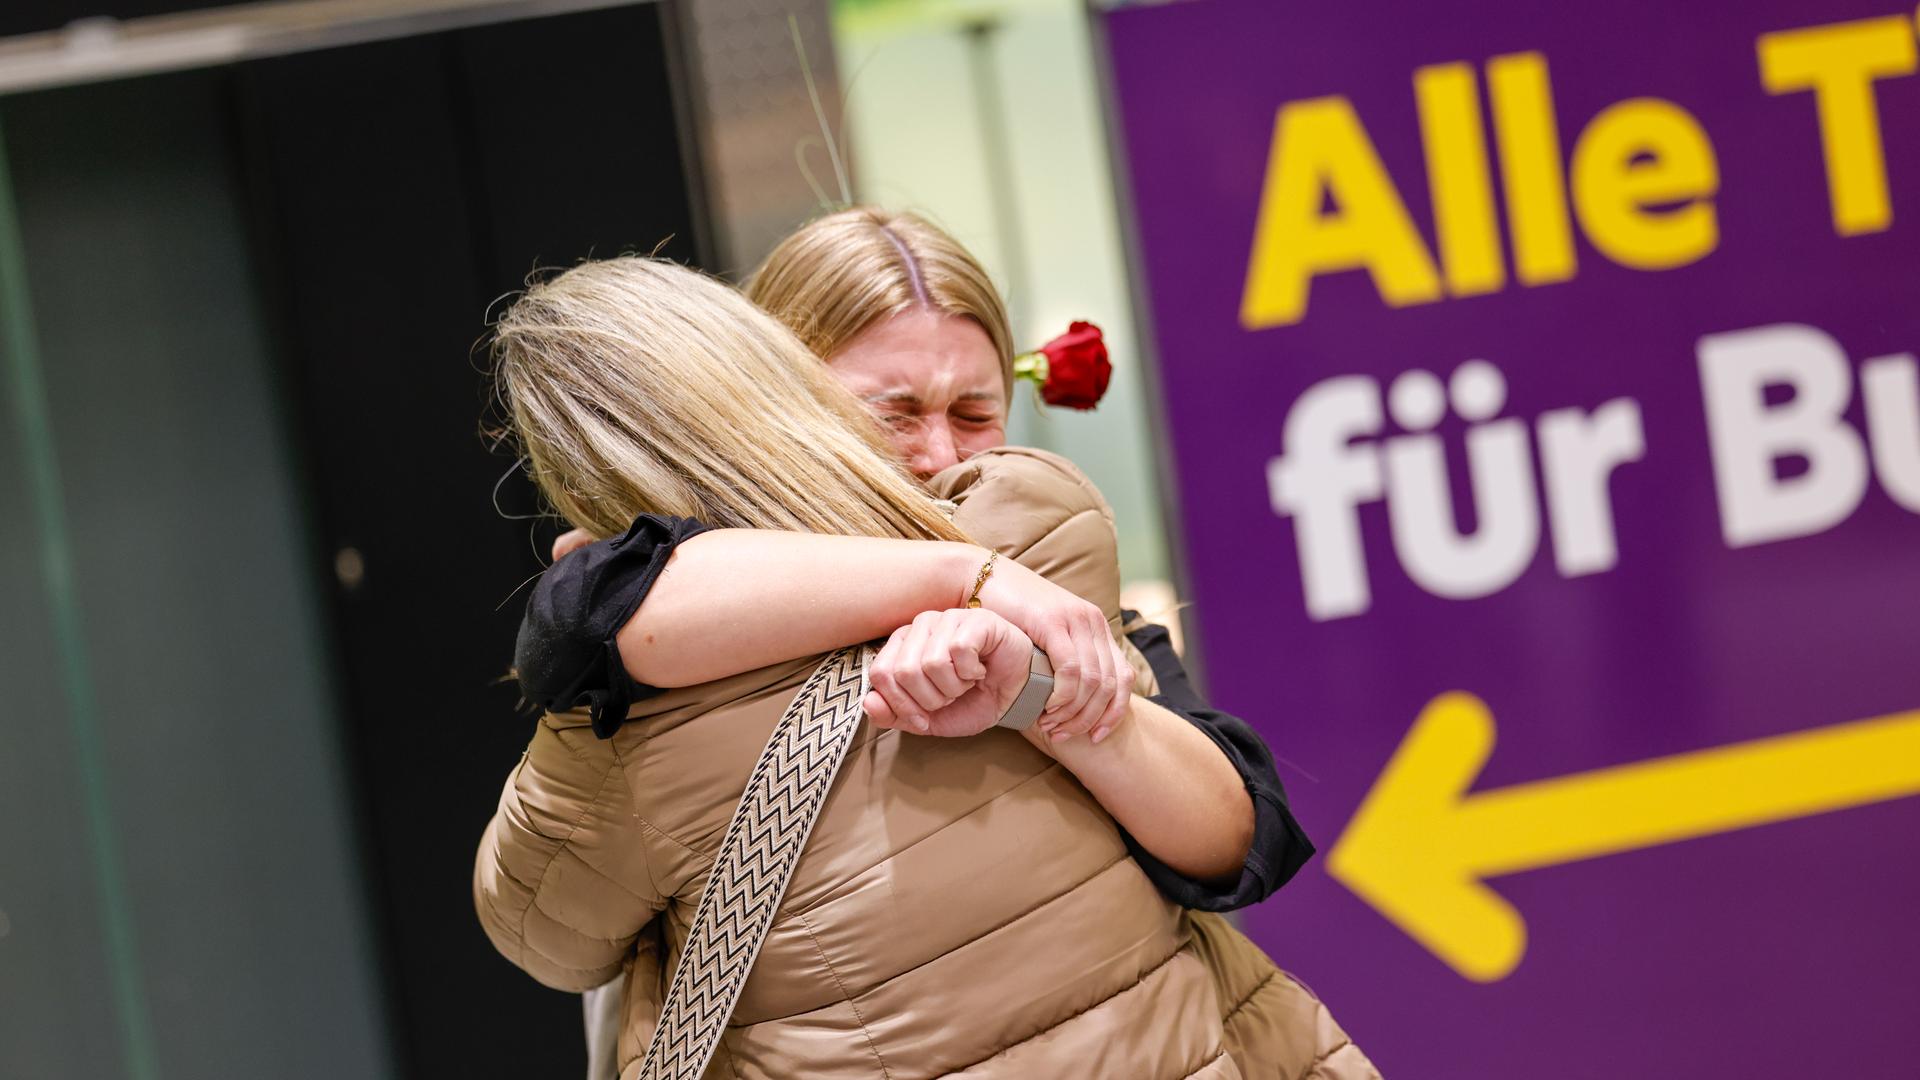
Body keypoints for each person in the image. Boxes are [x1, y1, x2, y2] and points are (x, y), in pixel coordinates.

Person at [513, 210, 1376, 1078]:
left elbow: (1241, 845)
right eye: (892, 414)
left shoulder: (1053, 576)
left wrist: (1043, 695)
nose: (937, 455)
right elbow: (587, 608)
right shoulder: (669, 597)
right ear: (775, 414)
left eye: (974, 412)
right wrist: (966, 573)